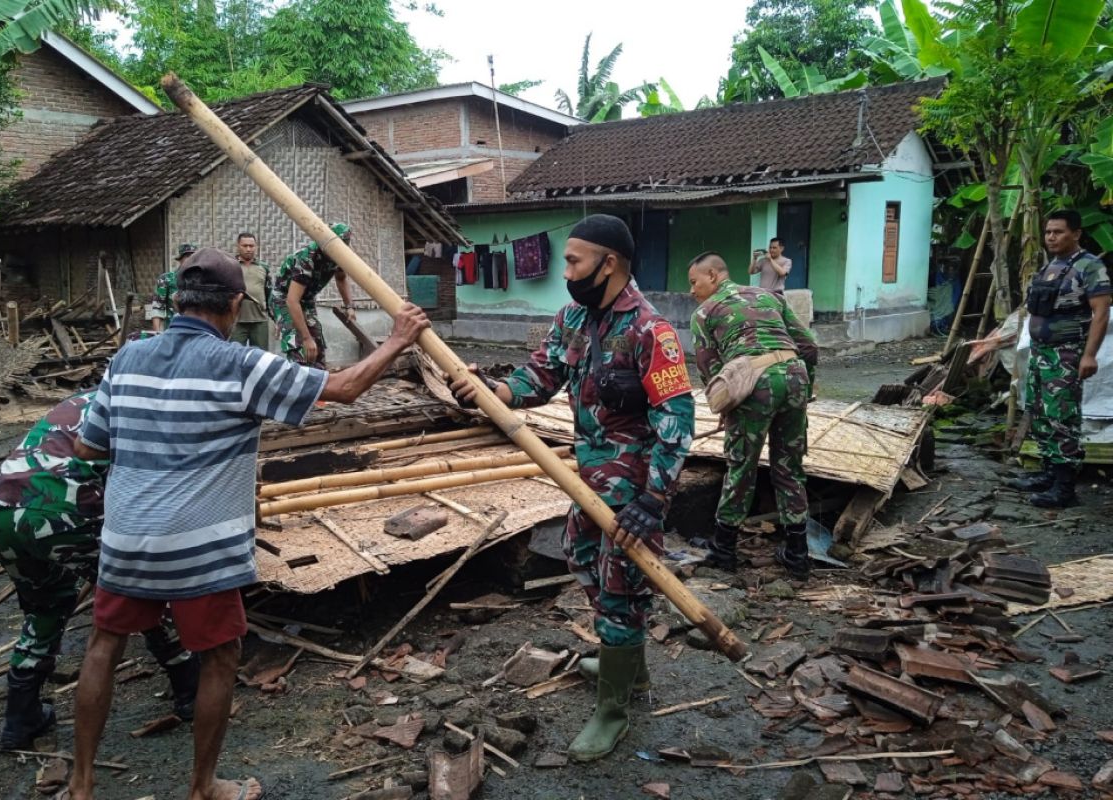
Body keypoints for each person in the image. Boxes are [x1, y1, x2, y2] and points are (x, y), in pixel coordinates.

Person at [67, 247, 429, 800]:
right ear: (236, 304)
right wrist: (398, 339)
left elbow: (88, 446)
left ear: (177, 300)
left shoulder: (128, 358)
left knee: (104, 645)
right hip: (199, 546)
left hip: (126, 538)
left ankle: (81, 784)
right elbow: (343, 389)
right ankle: (203, 786)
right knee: (219, 656)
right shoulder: (240, 364)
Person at [450, 215, 694, 763]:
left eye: (574, 260)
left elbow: (677, 421)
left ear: (609, 263)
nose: (566, 270)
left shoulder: (653, 333)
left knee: (620, 587)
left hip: (633, 489)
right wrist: (489, 390)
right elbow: (538, 378)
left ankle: (614, 710)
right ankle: (626, 664)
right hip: (588, 480)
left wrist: (655, 500)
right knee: (582, 558)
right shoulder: (574, 318)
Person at [0, 392, 198, 752]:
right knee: (143, 590)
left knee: (46, 604)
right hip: (60, 509)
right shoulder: (142, 407)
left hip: (0, 511)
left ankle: (20, 720)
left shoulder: (90, 398)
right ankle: (190, 690)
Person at [688, 252, 818, 580]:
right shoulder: (769, 296)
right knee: (789, 467)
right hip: (795, 376)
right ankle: (798, 554)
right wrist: (805, 392)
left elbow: (712, 373)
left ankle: (724, 550)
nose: (691, 290)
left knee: (741, 466)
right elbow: (809, 347)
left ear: (714, 276)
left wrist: (727, 408)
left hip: (754, 384)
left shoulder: (705, 313)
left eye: (694, 281)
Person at [1008, 209, 1110, 507]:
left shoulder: (1089, 267)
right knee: (1039, 412)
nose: (1051, 237)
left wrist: (1089, 355)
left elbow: (1101, 313)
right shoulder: (1052, 265)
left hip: (1066, 353)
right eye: (1048, 232)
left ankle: (1065, 489)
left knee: (1061, 417)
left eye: (1059, 232)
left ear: (1076, 234)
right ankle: (1049, 473)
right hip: (1041, 352)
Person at [270, 222, 357, 368]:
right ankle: (298, 383)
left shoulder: (340, 256)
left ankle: (319, 382)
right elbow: (292, 301)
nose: (340, 250)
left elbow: (341, 278)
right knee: (298, 342)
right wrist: (305, 338)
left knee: (316, 341)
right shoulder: (306, 258)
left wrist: (349, 306)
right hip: (284, 299)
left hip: (306, 299)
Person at [231, 232, 271, 348]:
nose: (248, 249)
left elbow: (269, 293)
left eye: (251, 246)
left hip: (260, 321)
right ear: (238, 246)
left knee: (261, 358)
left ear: (256, 247)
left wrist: (276, 319)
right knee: (235, 357)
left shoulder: (263, 267)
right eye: (245, 246)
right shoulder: (230, 265)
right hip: (236, 321)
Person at [147, 243, 197, 333]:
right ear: (180, 259)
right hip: (173, 330)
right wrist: (157, 334)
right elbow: (157, 308)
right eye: (187, 256)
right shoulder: (166, 279)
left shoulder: (200, 281)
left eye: (194, 257)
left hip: (195, 331)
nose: (191, 260)